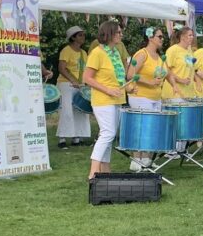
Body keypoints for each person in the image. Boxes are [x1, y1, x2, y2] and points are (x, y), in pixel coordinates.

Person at [83, 20, 128, 180]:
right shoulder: (97, 52)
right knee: (107, 134)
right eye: (118, 32)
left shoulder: (115, 52)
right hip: (103, 99)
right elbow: (87, 78)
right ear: (109, 33)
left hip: (116, 99)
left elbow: (118, 77)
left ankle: (105, 170)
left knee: (110, 134)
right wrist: (107, 89)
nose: (121, 35)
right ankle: (93, 172)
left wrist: (127, 87)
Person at [125, 27, 169, 170]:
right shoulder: (142, 54)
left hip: (156, 96)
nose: (162, 39)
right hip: (141, 96)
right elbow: (130, 74)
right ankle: (136, 160)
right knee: (141, 128)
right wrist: (149, 82)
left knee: (152, 129)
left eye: (163, 37)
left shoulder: (159, 56)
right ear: (150, 38)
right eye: (159, 37)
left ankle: (147, 159)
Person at [55, 26, 92, 150]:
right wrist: (72, 80)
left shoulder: (83, 53)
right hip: (66, 84)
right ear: (73, 37)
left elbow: (86, 69)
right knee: (67, 111)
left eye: (83, 34)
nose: (83, 37)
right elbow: (61, 68)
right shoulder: (66, 50)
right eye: (80, 35)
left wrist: (85, 83)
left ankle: (77, 138)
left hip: (80, 84)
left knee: (80, 110)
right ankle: (62, 139)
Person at [162, 26, 198, 100]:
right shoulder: (172, 50)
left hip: (188, 93)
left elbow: (191, 70)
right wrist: (180, 80)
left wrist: (197, 81)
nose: (192, 37)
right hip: (174, 92)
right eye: (190, 35)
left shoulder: (190, 51)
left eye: (192, 35)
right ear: (182, 37)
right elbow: (166, 70)